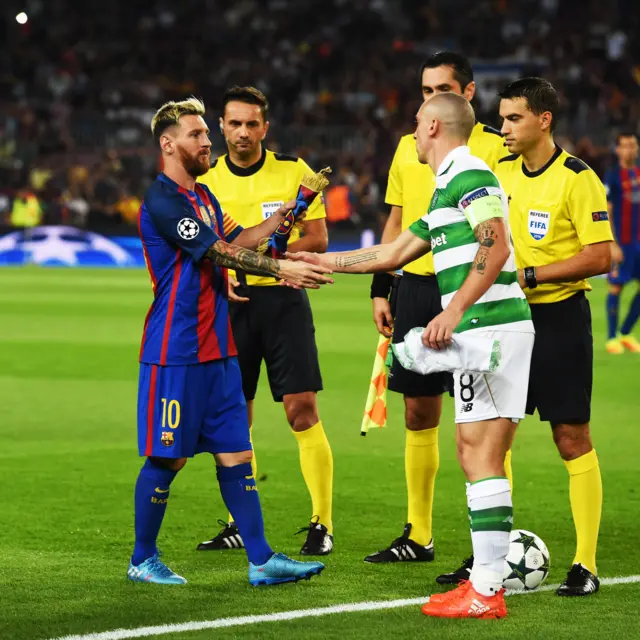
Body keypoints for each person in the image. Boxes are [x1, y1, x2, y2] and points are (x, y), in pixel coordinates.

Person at [291, 92, 535, 619]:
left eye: (416, 125)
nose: (412, 135)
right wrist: (314, 259)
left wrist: (454, 311)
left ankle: (488, 592)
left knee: (482, 456)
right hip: (484, 333)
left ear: (431, 125)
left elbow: (497, 242)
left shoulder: (471, 174)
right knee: (472, 451)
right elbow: (394, 252)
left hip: (490, 330)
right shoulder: (447, 184)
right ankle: (486, 584)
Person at [129, 96, 332, 585]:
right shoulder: (163, 201)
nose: (208, 142)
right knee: (168, 455)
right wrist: (281, 268)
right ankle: (142, 558)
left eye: (205, 134)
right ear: (168, 143)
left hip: (218, 348)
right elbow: (218, 252)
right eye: (197, 135)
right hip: (175, 350)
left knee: (236, 452)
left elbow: (243, 239)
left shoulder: (204, 197)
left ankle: (261, 560)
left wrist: (288, 213)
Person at [365, 51, 511, 572]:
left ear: (466, 93)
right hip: (417, 288)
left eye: (440, 90)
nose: (429, 100)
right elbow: (399, 219)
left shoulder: (493, 146)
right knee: (418, 410)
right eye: (424, 90)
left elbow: (495, 233)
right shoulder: (409, 147)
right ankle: (419, 534)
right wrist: (383, 287)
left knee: (485, 424)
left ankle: (487, 547)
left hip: (467, 296)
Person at [197, 86, 334, 556]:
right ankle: (241, 521)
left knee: (301, 410)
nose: (242, 132)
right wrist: (227, 271)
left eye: (251, 123)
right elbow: (205, 247)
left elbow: (317, 237)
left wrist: (282, 254)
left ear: (265, 127)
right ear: (221, 126)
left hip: (285, 302)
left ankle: (322, 522)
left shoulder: (295, 172)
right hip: (233, 305)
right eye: (234, 123)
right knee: (237, 418)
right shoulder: (207, 181)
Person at [493, 77, 612, 595]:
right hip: (506, 319)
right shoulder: (499, 172)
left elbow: (600, 255)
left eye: (514, 118)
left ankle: (585, 564)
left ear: (544, 119)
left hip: (559, 319)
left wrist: (534, 276)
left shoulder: (576, 178)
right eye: (501, 118)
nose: (504, 128)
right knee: (493, 437)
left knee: (571, 437)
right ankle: (490, 556)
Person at [603, 133, 640, 353]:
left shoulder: (638, 173)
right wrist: (612, 243)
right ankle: (611, 337)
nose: (629, 150)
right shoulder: (612, 177)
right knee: (616, 287)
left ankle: (626, 332)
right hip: (622, 242)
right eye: (625, 146)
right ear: (617, 150)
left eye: (633, 146)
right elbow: (606, 212)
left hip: (638, 242)